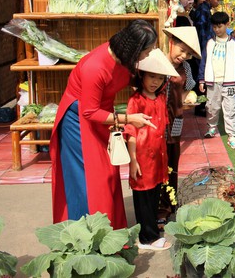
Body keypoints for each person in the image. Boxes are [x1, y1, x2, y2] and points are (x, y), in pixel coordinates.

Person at [50, 19, 157, 229]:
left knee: (109, 172)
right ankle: (85, 232)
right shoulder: (95, 67)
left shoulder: (124, 60)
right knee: (92, 178)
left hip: (102, 115)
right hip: (78, 122)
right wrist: (129, 119)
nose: (147, 55)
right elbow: (89, 112)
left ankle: (109, 229)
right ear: (134, 49)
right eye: (147, 51)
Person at [125, 48, 178, 251]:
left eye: (159, 77)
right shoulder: (136, 100)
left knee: (154, 194)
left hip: (158, 157)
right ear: (142, 76)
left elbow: (162, 127)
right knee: (143, 198)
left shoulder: (161, 99)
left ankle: (150, 228)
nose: (155, 81)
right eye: (151, 76)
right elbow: (130, 132)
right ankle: (147, 238)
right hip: (142, 157)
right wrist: (133, 160)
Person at [157, 26, 200, 226]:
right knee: (155, 163)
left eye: (188, 53)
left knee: (172, 162)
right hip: (154, 122)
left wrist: (187, 100)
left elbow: (187, 89)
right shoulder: (155, 62)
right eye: (181, 50)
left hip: (175, 120)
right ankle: (154, 206)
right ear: (171, 42)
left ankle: (167, 206)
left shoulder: (186, 69)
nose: (183, 56)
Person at [198, 11, 235, 149]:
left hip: (229, 82)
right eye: (215, 27)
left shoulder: (233, 43)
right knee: (212, 106)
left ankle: (231, 135)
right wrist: (201, 79)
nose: (217, 29)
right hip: (212, 81)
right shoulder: (209, 43)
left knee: (230, 109)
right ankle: (212, 127)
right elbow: (203, 61)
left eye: (220, 26)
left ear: (227, 25)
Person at [194, 0, 222, 115]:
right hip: (202, 49)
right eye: (217, 0)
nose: (218, 2)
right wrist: (205, 50)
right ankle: (200, 106)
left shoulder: (206, 10)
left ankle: (203, 105)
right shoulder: (203, 10)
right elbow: (201, 33)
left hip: (204, 48)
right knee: (202, 77)